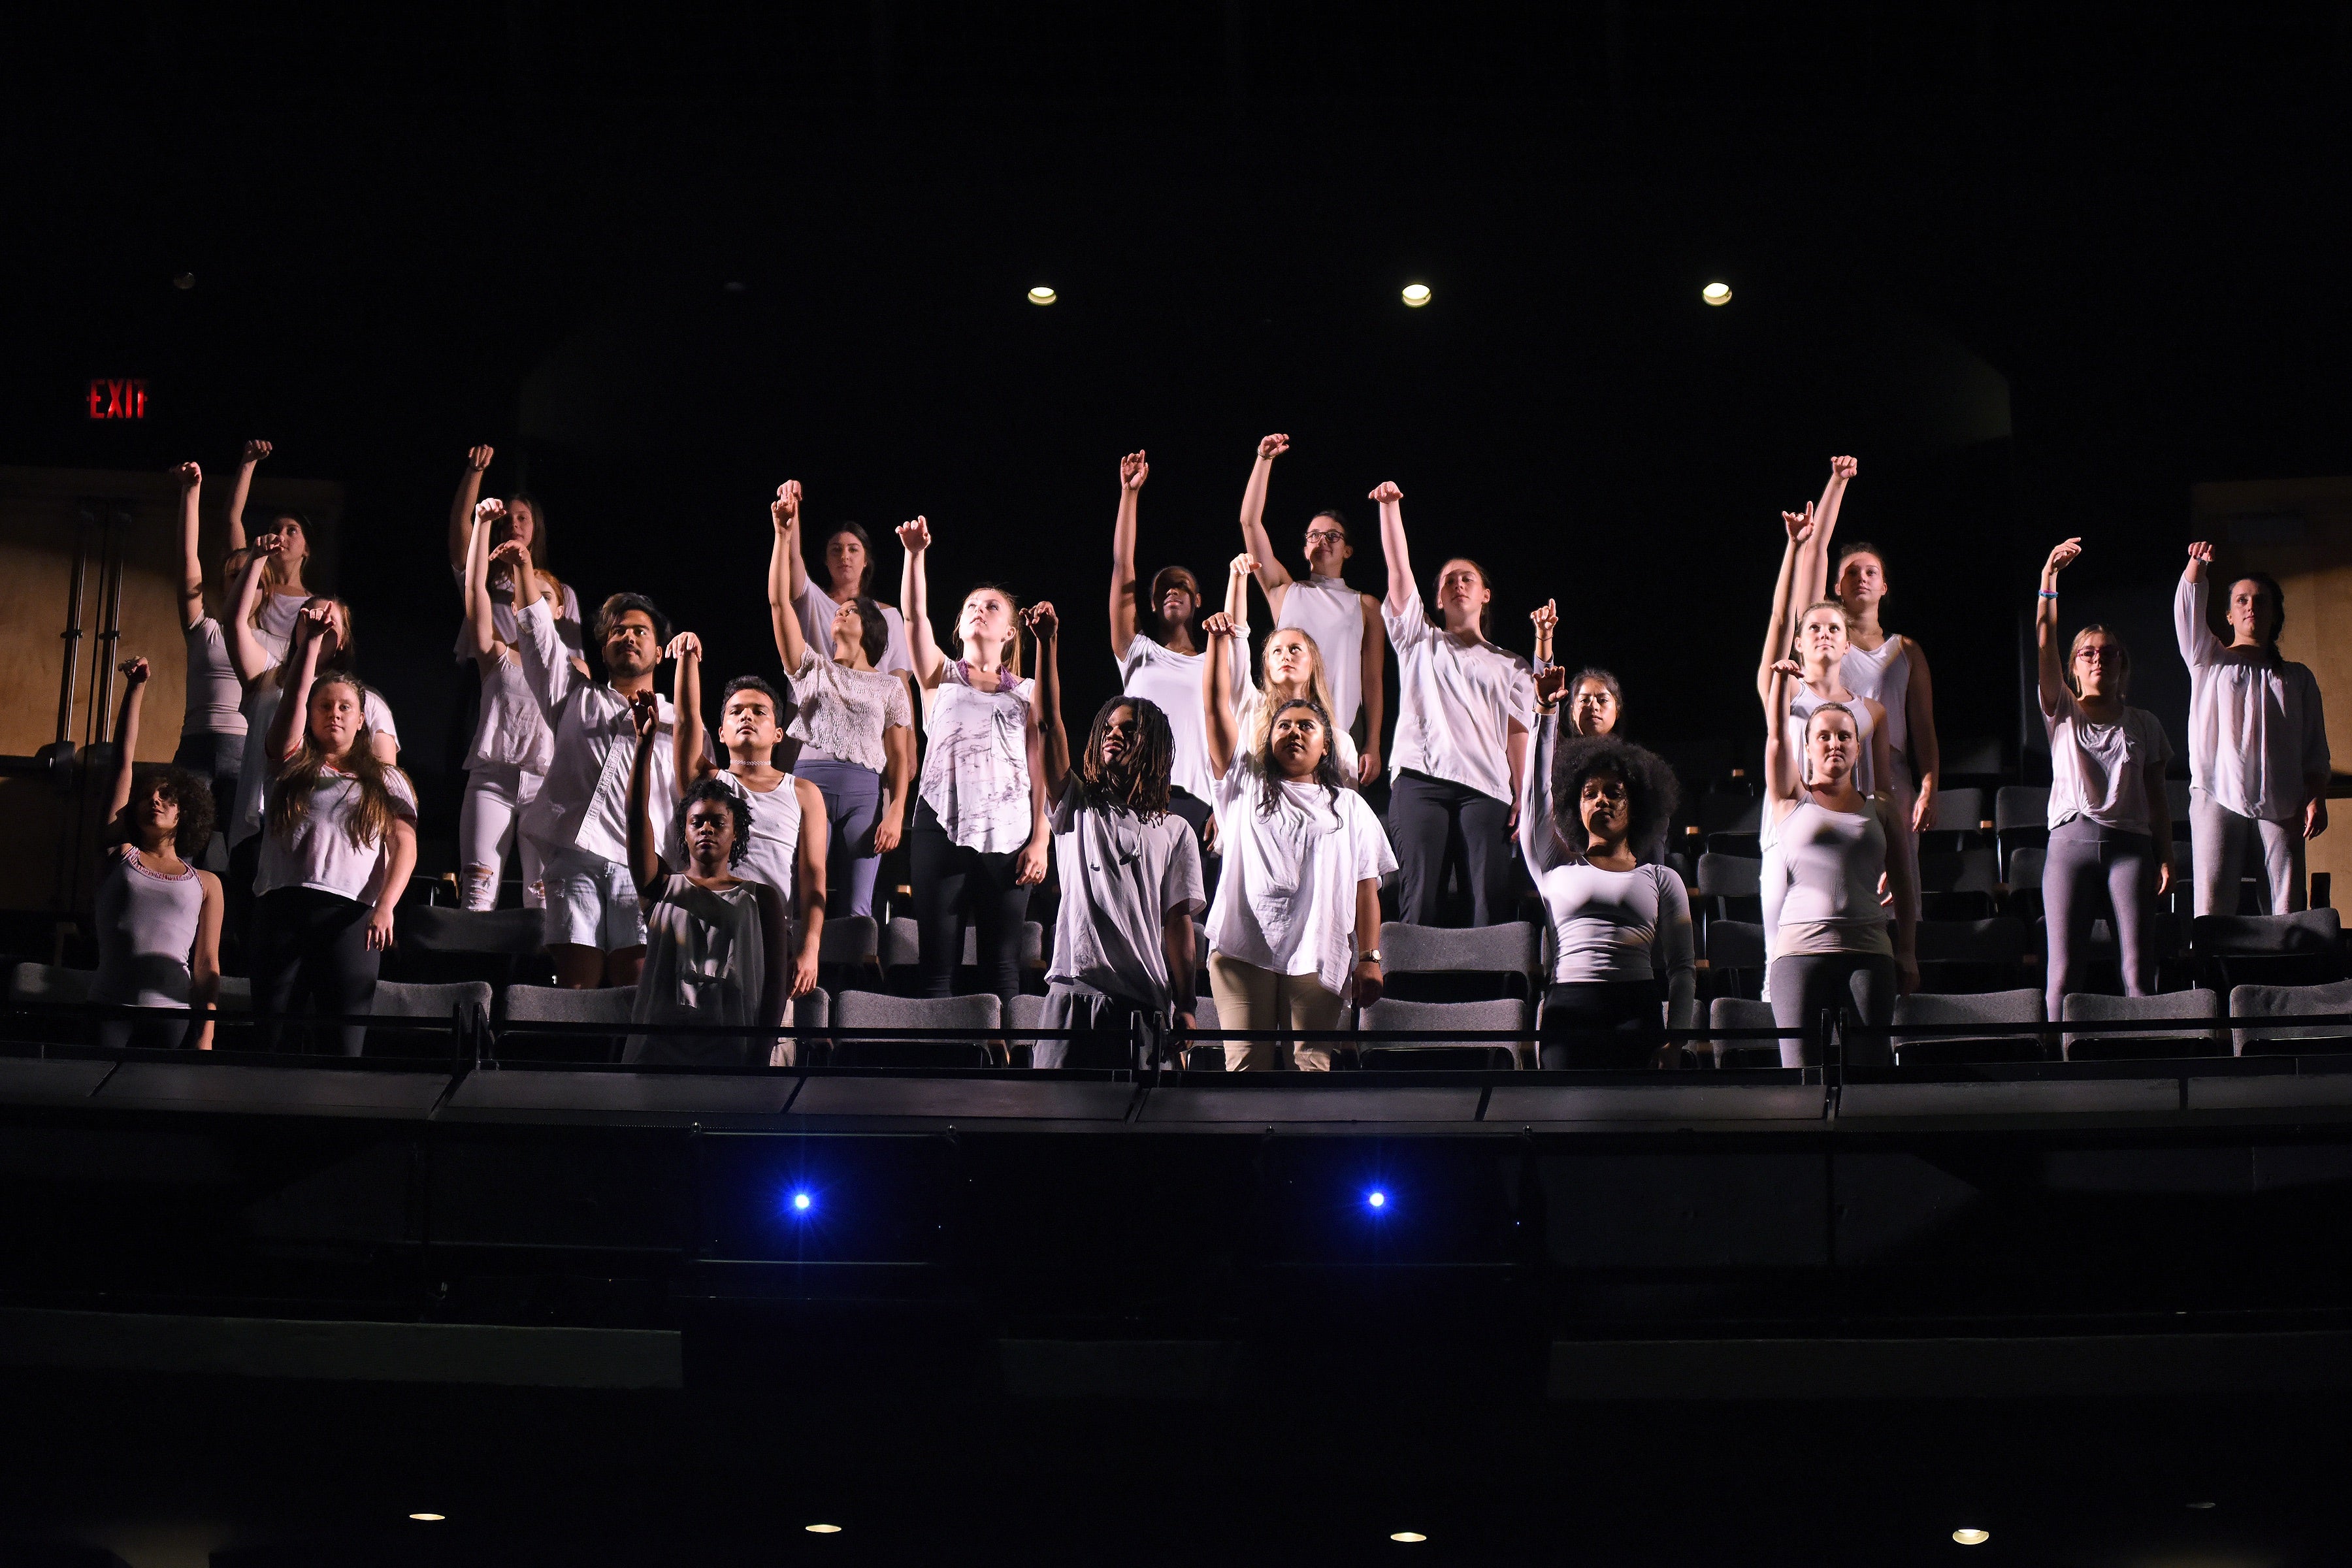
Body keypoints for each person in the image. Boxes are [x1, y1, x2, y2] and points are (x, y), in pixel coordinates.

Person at [1201, 612, 1395, 1070]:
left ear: (1326, 745)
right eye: (1284, 726)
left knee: (1312, 1067)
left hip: (1317, 947)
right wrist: (1216, 646)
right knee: (1247, 1065)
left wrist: (1369, 958)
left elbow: (1366, 885)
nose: (1294, 732)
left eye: (1307, 726)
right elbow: (1215, 709)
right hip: (1242, 947)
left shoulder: (1348, 807)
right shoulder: (1243, 782)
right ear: (1268, 740)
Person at [508, 543, 693, 989]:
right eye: (618, 631)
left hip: (645, 866)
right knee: (575, 989)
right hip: (576, 860)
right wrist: (522, 566)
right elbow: (538, 639)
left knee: (634, 990)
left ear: (659, 648)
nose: (628, 637)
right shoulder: (573, 696)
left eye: (640, 632)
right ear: (603, 645)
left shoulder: (678, 719)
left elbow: (692, 791)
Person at [1032, 598, 1203, 1069]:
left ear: (1151, 746)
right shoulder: (1076, 806)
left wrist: (1186, 1004)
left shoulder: (1175, 830)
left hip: (1142, 1003)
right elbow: (1048, 724)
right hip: (1073, 992)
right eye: (1108, 727)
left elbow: (1178, 924)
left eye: (1128, 730)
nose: (1113, 734)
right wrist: (1047, 644)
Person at [896, 515, 1049, 1019]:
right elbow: (914, 618)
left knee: (1002, 967)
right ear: (959, 624)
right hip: (939, 826)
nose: (979, 612)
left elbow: (1040, 763)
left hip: (1009, 835)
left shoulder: (1027, 692)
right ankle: (937, 1081)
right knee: (938, 967)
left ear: (1010, 628)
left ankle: (1009, 1082)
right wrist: (915, 556)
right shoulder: (941, 676)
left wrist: (1041, 838)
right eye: (970, 606)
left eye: (992, 606)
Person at [252, 606, 418, 1055]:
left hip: (351, 916)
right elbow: (291, 703)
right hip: (285, 906)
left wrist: (386, 906)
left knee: (342, 1039)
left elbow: (405, 843)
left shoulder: (387, 779)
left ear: (363, 719)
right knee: (271, 1036)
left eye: (346, 707)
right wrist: (309, 646)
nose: (335, 715)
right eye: (324, 707)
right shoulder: (288, 763)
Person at [1373, 480, 1534, 928]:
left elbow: (1517, 732)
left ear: (1485, 596)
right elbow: (1399, 570)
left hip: (1486, 789)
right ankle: (1407, 994)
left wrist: (1523, 794)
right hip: (1421, 780)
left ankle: (1495, 998)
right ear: (1438, 597)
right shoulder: (1418, 640)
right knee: (1419, 898)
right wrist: (1390, 508)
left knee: (1488, 905)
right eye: (1448, 580)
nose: (1458, 584)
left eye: (1468, 578)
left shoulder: (1512, 665)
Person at [1520, 668, 1694, 1068]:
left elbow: (1682, 969)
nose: (1601, 801)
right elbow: (1535, 793)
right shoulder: (1554, 867)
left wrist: (1677, 1042)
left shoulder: (1661, 879)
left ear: (1637, 807)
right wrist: (1546, 712)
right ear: (1575, 807)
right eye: (1589, 794)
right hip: (1569, 1010)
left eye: (1614, 793)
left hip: (1637, 1009)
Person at [222, 564, 399, 956]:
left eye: (331, 619)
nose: (320, 622)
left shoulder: (366, 702)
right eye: (311, 615)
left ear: (346, 636)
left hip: (330, 848)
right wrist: (255, 559)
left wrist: (385, 887)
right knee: (261, 951)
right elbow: (233, 623)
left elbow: (388, 787)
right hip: (260, 830)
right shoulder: (267, 678)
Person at [1756, 502, 1891, 994]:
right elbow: (1780, 614)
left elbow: (1880, 790)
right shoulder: (1786, 688)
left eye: (1834, 627)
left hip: (1850, 836)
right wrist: (1795, 547)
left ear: (1847, 642)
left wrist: (1885, 850)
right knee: (1781, 966)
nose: (1824, 634)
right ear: (1799, 641)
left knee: (1859, 959)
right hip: (1788, 833)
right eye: (1813, 628)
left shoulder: (1867, 709)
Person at [1795, 456, 1942, 909]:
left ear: (1884, 587)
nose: (1861, 578)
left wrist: (1930, 786)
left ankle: (1900, 968)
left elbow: (1923, 728)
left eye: (1871, 573)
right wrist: (1836, 483)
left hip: (1892, 775)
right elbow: (1815, 551)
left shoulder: (1908, 651)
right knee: (1836, 885)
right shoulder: (1825, 641)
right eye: (1852, 572)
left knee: (1893, 889)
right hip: (1835, 766)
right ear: (1836, 587)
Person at [2036, 540, 2174, 1016]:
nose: (2099, 659)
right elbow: (2044, 643)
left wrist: (2167, 856)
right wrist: (2048, 580)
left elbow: (2157, 797)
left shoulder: (2144, 723)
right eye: (2088, 653)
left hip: (2131, 848)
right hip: (2070, 847)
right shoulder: (2063, 711)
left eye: (2109, 653)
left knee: (2138, 970)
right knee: (2063, 970)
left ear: (2123, 664)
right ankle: (2056, 1061)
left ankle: (2148, 1064)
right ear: (2074, 666)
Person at [623, 693, 795, 1067]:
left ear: (736, 835)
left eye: (718, 822)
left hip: (733, 1051)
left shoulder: (762, 899)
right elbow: (637, 823)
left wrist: (759, 1057)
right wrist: (643, 745)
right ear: (683, 833)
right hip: (661, 1053)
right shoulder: (662, 887)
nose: (706, 829)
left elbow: (775, 988)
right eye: (696, 821)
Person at [768, 485, 915, 919]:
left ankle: (857, 986)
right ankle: (801, 981)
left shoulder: (888, 685)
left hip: (864, 792)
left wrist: (895, 811)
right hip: (809, 782)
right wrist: (782, 534)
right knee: (806, 897)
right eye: (838, 612)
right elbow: (780, 603)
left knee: (859, 907)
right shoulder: (811, 666)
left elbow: (899, 756)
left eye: (850, 611)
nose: (840, 613)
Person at [1762, 659, 1917, 1067]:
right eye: (1825, 736)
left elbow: (1903, 880)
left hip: (1868, 951)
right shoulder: (1791, 799)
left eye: (1845, 737)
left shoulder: (1880, 807)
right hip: (1799, 956)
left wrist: (1908, 951)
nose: (1835, 744)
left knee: (1870, 1077)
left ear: (1858, 746)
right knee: (1801, 1078)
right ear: (1809, 747)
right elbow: (1776, 738)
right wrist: (1781, 684)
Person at [450, 446, 583, 911]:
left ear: (561, 606)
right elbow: (470, 580)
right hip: (495, 774)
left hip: (548, 779)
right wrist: (483, 522)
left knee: (544, 899)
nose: (531, 604)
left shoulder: (574, 665)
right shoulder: (495, 646)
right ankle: (474, 983)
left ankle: (540, 984)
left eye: (545, 598)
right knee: (477, 891)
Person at [668, 630, 825, 1009]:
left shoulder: (804, 793)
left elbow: (814, 876)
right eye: (736, 711)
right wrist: (688, 661)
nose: (747, 717)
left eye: (759, 711)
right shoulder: (708, 782)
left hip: (769, 938)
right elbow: (687, 720)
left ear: (778, 733)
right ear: (721, 733)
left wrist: (810, 948)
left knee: (768, 1053)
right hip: (704, 929)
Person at [2176, 541, 2330, 914]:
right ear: (2229, 615)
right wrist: (2197, 565)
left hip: (2283, 798)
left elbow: (2314, 747)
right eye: (2242, 600)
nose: (2251, 607)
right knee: (2213, 902)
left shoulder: (2297, 677)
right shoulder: (2209, 659)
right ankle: (2211, 973)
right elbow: (2188, 612)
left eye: (2261, 601)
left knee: (2287, 903)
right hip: (2216, 790)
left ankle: (2285, 972)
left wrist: (2315, 795)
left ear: (2275, 613)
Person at [91, 657, 222, 1051]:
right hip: (109, 1010)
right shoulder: (120, 854)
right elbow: (122, 761)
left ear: (184, 811)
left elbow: (207, 965)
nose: (155, 800)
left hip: (172, 1017)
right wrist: (136, 689)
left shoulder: (206, 883)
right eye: (148, 795)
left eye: (166, 796)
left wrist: (206, 1032)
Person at [1237, 434, 1384, 784]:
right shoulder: (1284, 591)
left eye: (1333, 536)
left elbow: (1373, 679)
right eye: (1313, 535)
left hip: (1341, 729)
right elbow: (1250, 524)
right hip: (1280, 724)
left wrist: (1374, 743)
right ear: (1305, 548)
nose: (1322, 541)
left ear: (1348, 550)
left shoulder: (1365, 605)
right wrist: (1263, 460)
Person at [1530, 599, 1664, 864]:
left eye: (1603, 700)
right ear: (1570, 710)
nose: (1593, 706)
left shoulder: (1635, 766)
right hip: (1566, 857)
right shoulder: (1555, 754)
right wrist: (1544, 639)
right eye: (1584, 700)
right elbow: (1544, 692)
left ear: (1618, 709)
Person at [170, 457, 255, 858]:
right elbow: (189, 570)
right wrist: (191, 493)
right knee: (182, 846)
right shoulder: (205, 629)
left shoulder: (273, 642)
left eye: (250, 576)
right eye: (232, 574)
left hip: (245, 750)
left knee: (241, 855)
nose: (240, 581)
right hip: (196, 745)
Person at [1220, 551, 1360, 783]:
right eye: (1277, 651)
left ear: (1313, 663)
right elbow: (1236, 639)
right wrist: (1237, 577)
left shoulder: (1337, 741)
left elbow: (1348, 807)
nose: (1285, 655)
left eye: (1295, 649)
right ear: (1267, 666)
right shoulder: (1250, 708)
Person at [778, 481, 917, 683]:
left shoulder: (888, 616)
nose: (844, 556)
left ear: (866, 561)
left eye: (853, 549)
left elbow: (899, 680)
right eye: (836, 549)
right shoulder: (811, 600)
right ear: (826, 560)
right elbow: (793, 559)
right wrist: (792, 510)